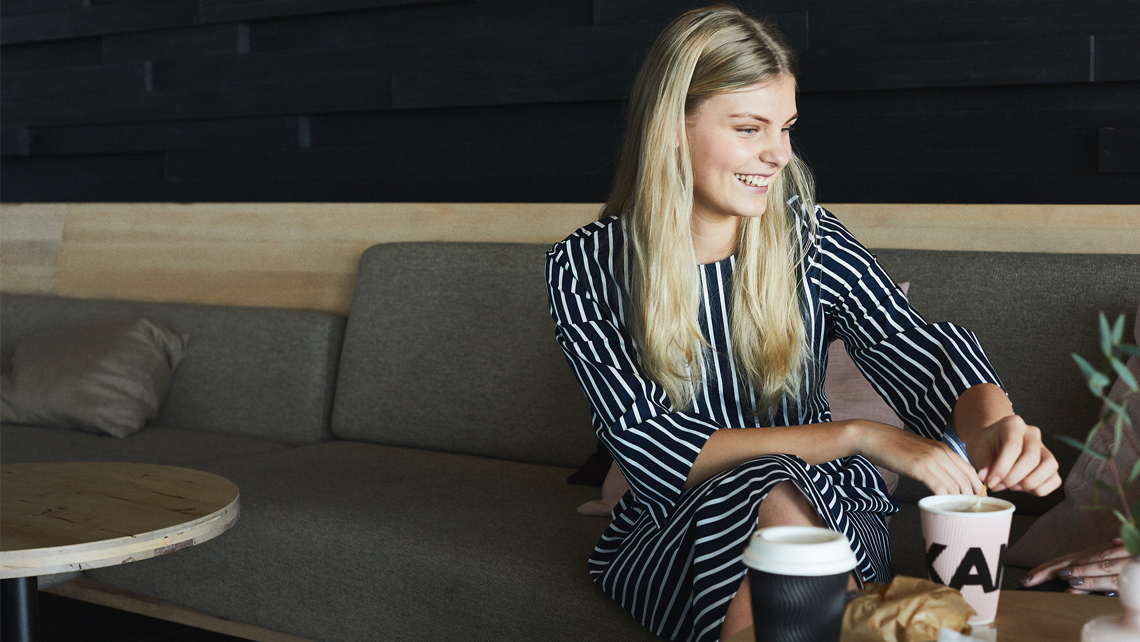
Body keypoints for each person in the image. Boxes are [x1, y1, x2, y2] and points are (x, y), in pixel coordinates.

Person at [544, 5, 1062, 641]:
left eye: (786, 127)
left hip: (829, 506)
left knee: (777, 498)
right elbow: (651, 448)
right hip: (674, 521)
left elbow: (917, 351)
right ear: (672, 125)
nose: (778, 155)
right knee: (762, 489)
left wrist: (996, 428)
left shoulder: (809, 238)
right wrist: (857, 435)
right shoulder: (585, 265)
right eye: (750, 128)